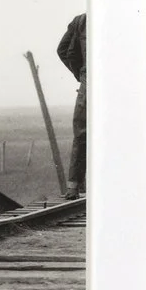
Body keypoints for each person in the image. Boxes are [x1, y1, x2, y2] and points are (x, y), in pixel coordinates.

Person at [57, 13, 87, 198]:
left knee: (82, 133)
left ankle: (73, 187)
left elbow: (65, 51)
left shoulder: (82, 20)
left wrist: (82, 76)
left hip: (89, 81)